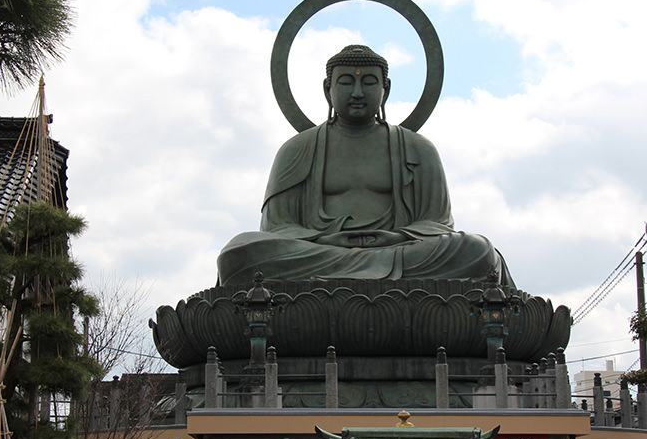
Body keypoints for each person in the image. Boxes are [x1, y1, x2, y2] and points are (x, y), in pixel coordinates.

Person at [216, 44, 513, 286]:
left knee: (477, 251)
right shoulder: (297, 149)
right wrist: (326, 239)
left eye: (368, 82)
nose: (357, 92)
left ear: (386, 89)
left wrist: (397, 237)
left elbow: (437, 224)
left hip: (400, 252)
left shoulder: (418, 148)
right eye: (346, 82)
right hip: (320, 251)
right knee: (241, 253)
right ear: (327, 89)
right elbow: (277, 228)